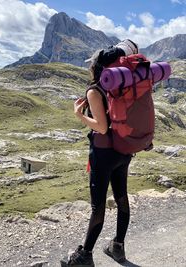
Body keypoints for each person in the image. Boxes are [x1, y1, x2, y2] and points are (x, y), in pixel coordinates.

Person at [61, 39, 138, 267]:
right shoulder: (123, 84)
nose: (89, 66)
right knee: (122, 197)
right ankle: (118, 248)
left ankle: (84, 256)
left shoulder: (96, 90)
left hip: (103, 155)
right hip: (123, 150)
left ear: (97, 66)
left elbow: (101, 127)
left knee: (98, 206)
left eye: (91, 63)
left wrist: (79, 115)